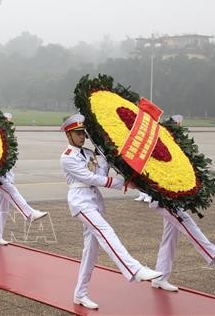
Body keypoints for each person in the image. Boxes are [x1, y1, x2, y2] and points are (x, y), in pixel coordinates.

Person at [60, 113, 162, 310]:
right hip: (80, 202)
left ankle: (80, 294)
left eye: (83, 133)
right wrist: (124, 184)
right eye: (78, 133)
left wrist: (104, 155)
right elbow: (92, 178)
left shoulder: (89, 154)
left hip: (94, 201)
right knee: (106, 232)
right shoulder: (67, 158)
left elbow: (100, 173)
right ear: (69, 135)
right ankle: (133, 269)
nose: (82, 137)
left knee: (90, 251)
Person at [149, 113, 215, 292]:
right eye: (177, 129)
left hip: (171, 198)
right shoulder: (160, 148)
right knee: (186, 222)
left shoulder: (174, 148)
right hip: (162, 199)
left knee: (170, 239)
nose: (180, 133)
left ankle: (160, 277)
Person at [0, 113, 48, 246]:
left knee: (4, 208)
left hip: (7, 175)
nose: (8, 126)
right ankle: (29, 213)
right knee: (13, 192)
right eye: (6, 123)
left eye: (9, 123)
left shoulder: (7, 137)